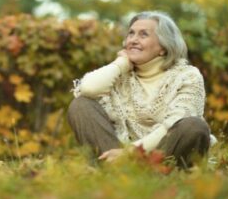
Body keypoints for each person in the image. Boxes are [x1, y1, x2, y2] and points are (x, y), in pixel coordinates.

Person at [68, 11, 215, 168]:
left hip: (165, 157)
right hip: (120, 158)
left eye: (143, 35)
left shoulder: (187, 75)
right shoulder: (119, 74)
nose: (133, 40)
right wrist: (120, 63)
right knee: (81, 105)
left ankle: (158, 177)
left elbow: (173, 124)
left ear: (164, 47)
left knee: (193, 126)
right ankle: (115, 173)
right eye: (131, 34)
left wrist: (130, 153)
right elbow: (87, 89)